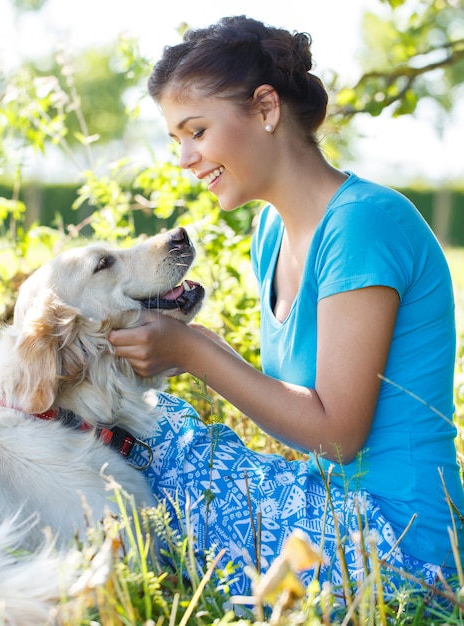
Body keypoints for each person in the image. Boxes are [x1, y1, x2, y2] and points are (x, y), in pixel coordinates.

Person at [111, 15, 464, 602]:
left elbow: (337, 436)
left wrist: (194, 352)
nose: (186, 158)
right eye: (177, 141)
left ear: (266, 107)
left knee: (148, 439)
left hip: (396, 541)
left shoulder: (363, 225)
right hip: (327, 504)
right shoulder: (271, 231)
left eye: (196, 130)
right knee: (143, 421)